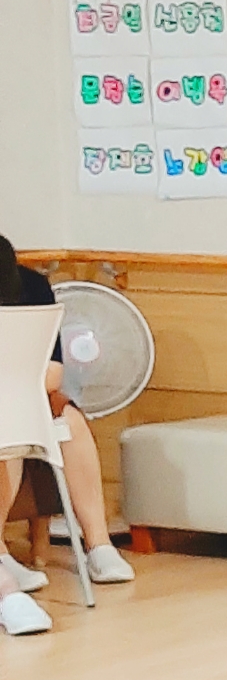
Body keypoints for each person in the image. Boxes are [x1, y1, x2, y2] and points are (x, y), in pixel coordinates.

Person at [1, 233, 135, 637]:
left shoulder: (31, 286)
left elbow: (54, 372)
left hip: (24, 391)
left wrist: (16, 387)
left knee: (70, 422)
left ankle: (99, 545)